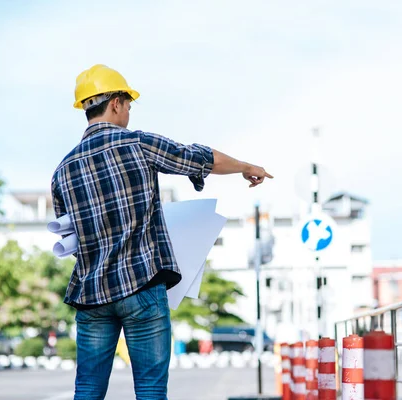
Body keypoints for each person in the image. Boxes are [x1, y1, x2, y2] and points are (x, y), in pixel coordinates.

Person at [50, 64, 273, 400]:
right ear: (115, 103)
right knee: (151, 390)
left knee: (88, 390)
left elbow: (70, 239)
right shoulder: (137, 143)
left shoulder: (62, 171)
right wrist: (246, 167)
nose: (128, 112)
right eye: (128, 105)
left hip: (92, 295)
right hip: (141, 287)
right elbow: (198, 158)